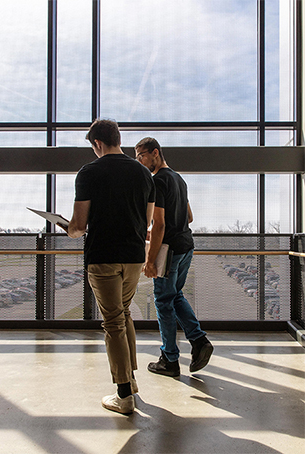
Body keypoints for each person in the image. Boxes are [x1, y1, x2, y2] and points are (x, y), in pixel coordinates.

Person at [66, 120, 155, 414]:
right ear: (118, 139)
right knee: (124, 313)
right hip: (133, 258)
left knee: (113, 322)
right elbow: (147, 221)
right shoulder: (144, 174)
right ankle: (131, 380)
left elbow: (79, 226)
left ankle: (124, 395)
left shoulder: (89, 172)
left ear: (97, 144)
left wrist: (69, 229)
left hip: (103, 256)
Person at [135, 137, 213, 377]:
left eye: (141, 156)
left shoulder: (157, 181)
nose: (139, 161)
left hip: (169, 252)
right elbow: (188, 217)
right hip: (186, 246)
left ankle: (169, 359)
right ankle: (199, 341)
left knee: (163, 302)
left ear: (155, 153)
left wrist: (149, 261)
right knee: (174, 295)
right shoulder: (179, 179)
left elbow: (158, 224)